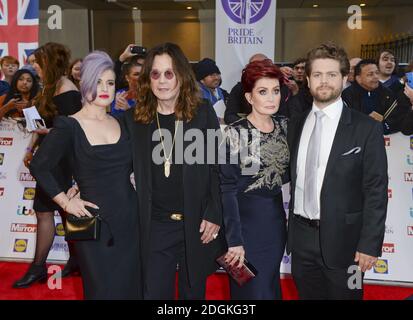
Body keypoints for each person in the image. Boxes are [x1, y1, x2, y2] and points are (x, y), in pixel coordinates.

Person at [29, 51, 142, 300]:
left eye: (110, 83)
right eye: (98, 81)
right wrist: (66, 201)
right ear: (84, 83)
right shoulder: (69, 125)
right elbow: (39, 166)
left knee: (133, 288)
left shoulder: (123, 122)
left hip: (131, 220)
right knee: (102, 291)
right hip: (94, 224)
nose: (104, 88)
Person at [120, 42, 226, 300]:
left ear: (181, 76)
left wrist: (214, 212)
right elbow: (115, 165)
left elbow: (217, 167)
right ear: (147, 79)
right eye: (155, 74)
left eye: (169, 73)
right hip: (155, 225)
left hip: (197, 222)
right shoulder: (135, 119)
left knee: (193, 294)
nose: (163, 81)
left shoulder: (202, 113)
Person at [287, 43, 388, 300]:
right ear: (307, 80)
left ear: (345, 79)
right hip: (301, 242)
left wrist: (369, 245)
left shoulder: (366, 129)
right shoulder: (295, 124)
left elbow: (376, 191)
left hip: (349, 247)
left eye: (331, 75)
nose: (324, 81)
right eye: (317, 75)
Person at [13, 42, 82, 288]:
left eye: (37, 63)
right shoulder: (48, 88)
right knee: (49, 212)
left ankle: (40, 267)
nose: (34, 68)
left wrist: (47, 131)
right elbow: (40, 124)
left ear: (50, 63)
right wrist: (31, 148)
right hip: (47, 159)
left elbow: (75, 131)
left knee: (62, 212)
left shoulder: (68, 91)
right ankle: (66, 262)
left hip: (62, 162)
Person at [220, 59, 289, 300]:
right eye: (263, 91)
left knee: (269, 287)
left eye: (276, 91)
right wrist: (234, 240)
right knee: (251, 292)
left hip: (276, 225)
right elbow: (226, 190)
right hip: (245, 229)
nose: (271, 98)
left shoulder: (285, 127)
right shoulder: (234, 133)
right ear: (249, 97)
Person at [342, 59, 409, 134]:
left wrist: (383, 123)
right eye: (370, 74)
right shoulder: (347, 94)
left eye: (377, 73)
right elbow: (344, 121)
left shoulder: (387, 93)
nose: (376, 77)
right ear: (359, 78)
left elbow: (397, 120)